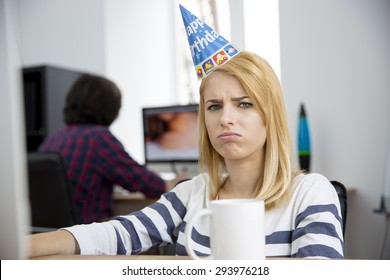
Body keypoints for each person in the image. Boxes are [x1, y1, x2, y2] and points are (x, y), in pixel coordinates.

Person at [29, 51, 344, 258]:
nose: (225, 118)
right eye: (214, 106)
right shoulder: (192, 193)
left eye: (244, 103)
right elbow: (120, 232)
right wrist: (20, 247)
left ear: (270, 116)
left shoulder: (311, 193)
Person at [38, 73, 172, 224]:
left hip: (50, 236)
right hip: (85, 237)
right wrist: (175, 182)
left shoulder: (54, 138)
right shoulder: (98, 139)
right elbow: (149, 184)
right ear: (110, 109)